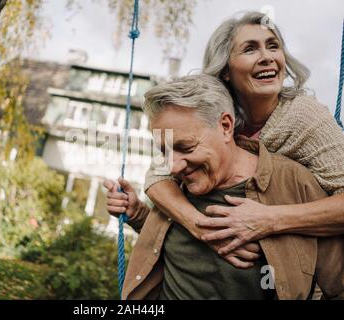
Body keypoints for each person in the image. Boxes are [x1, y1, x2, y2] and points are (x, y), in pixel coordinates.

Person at [103, 74, 343, 300]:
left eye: (186, 147)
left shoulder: (296, 185)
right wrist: (137, 215)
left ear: (226, 126)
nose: (173, 166)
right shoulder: (173, 187)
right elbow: (177, 246)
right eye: (164, 151)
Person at [141, 11, 344, 261]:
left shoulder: (305, 116)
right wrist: (199, 224)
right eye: (250, 49)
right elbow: (157, 175)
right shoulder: (210, 112)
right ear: (226, 69)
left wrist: (270, 220)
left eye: (273, 47)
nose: (267, 57)